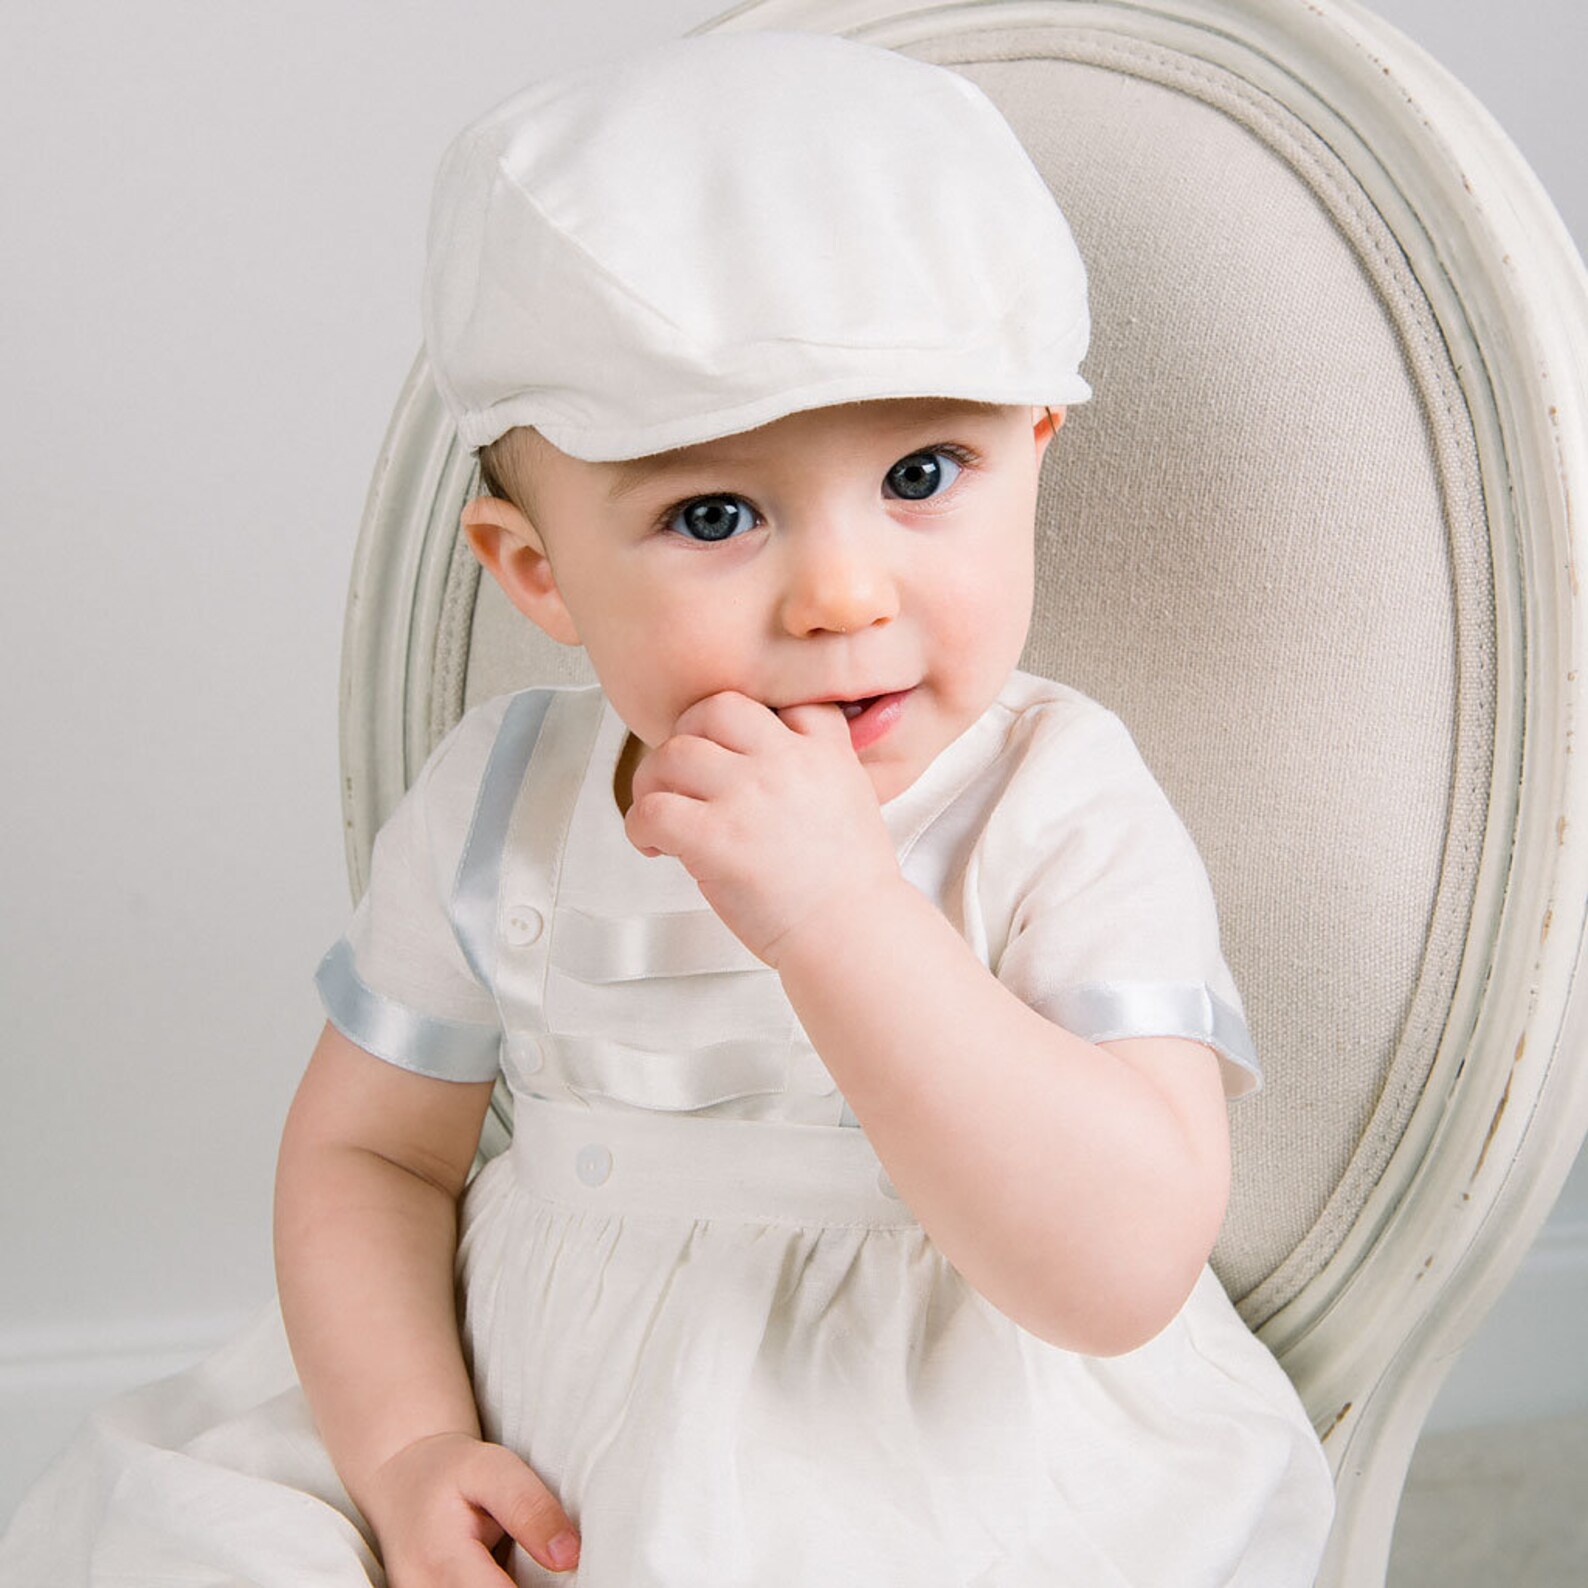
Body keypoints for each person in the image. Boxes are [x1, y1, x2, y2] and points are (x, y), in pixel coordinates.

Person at [0, 29, 1334, 1588]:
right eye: (716, 514)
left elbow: (1119, 1269)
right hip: (529, 1425)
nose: (844, 594)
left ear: (1034, 452)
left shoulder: (1056, 802)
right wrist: (411, 1446)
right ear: (539, 574)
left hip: (933, 1462)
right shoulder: (505, 797)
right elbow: (371, 1160)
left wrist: (843, 916)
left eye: (923, 474)